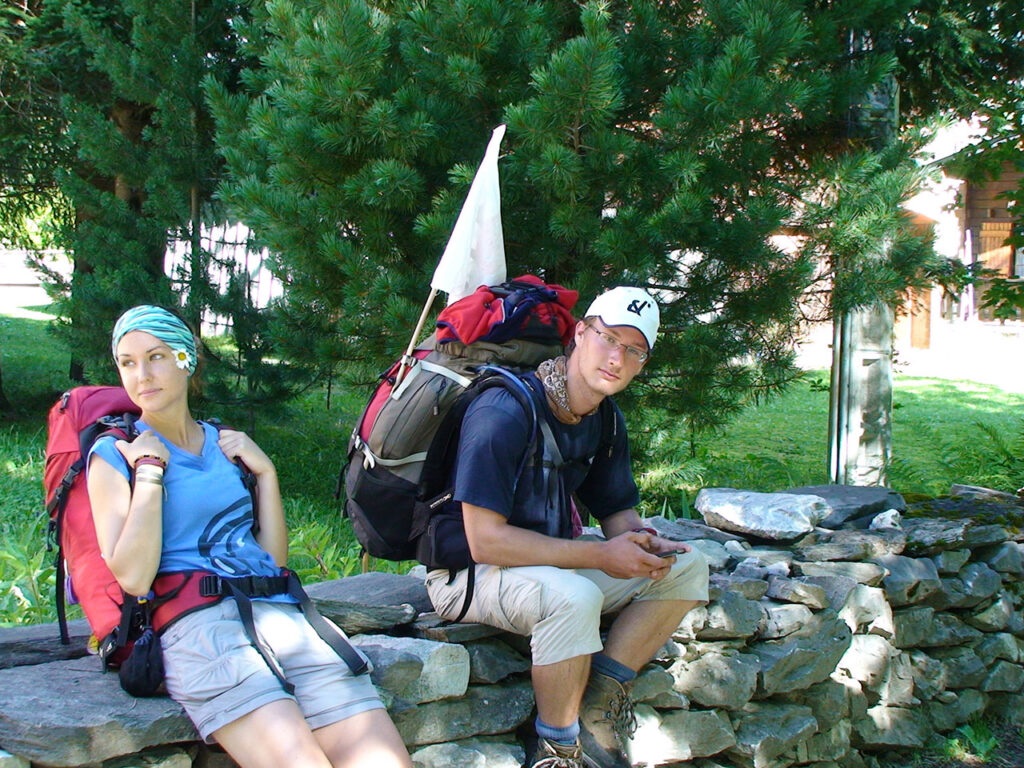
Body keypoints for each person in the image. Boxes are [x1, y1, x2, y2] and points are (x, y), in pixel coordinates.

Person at [87, 305, 412, 768]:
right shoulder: (115, 452)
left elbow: (271, 560)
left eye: (156, 356)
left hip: (286, 620)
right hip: (203, 631)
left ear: (187, 358)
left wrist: (267, 474)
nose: (142, 374)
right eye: (128, 362)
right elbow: (135, 578)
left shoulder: (223, 444)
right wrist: (150, 472)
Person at [424, 287, 710, 768]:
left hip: (544, 565)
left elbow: (618, 515)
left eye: (633, 350)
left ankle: (596, 703)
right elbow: (484, 540)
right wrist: (601, 555)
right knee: (575, 597)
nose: (616, 357)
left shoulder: (604, 419)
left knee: (687, 566)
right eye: (608, 338)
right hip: (466, 575)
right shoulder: (505, 410)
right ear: (580, 333)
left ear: (643, 363)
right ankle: (557, 749)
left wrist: (647, 544)